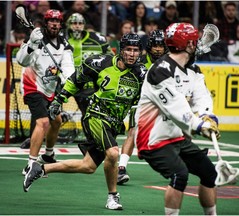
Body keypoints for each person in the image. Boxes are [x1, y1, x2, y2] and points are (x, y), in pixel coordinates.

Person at [22, 33, 147, 211]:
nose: (132, 54)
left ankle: (40, 169)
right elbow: (75, 80)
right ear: (121, 50)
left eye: (136, 50)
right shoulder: (100, 63)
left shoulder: (142, 74)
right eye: (128, 49)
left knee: (88, 166)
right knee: (112, 153)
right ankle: (113, 196)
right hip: (95, 116)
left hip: (114, 123)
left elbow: (141, 102)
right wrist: (59, 100)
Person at [134, 23, 220, 215]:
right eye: (195, 41)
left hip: (176, 138)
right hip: (153, 140)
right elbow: (177, 109)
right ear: (188, 45)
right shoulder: (160, 71)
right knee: (179, 175)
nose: (198, 44)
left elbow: (202, 97)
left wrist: (208, 115)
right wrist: (200, 125)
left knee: (209, 173)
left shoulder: (193, 70)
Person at [16, 10, 74, 174]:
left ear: (60, 24)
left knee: (56, 120)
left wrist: (67, 78)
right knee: (43, 122)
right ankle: (31, 164)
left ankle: (48, 155)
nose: (54, 24)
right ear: (46, 22)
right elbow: (21, 60)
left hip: (49, 88)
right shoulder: (35, 37)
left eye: (57, 21)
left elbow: (68, 65)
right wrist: (32, 45)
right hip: (32, 85)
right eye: (51, 21)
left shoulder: (64, 43)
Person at [117, 29, 169, 185]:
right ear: (150, 46)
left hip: (161, 102)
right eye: (155, 45)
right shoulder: (139, 61)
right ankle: (121, 168)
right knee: (133, 133)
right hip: (140, 103)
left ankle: (188, 159)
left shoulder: (168, 63)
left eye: (161, 45)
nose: (158, 49)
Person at [65, 12, 113, 140]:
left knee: (89, 112)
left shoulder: (98, 39)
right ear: (68, 25)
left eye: (80, 23)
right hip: (70, 82)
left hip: (92, 85)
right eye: (74, 23)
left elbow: (110, 57)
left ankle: (92, 138)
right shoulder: (62, 40)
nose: (77, 26)